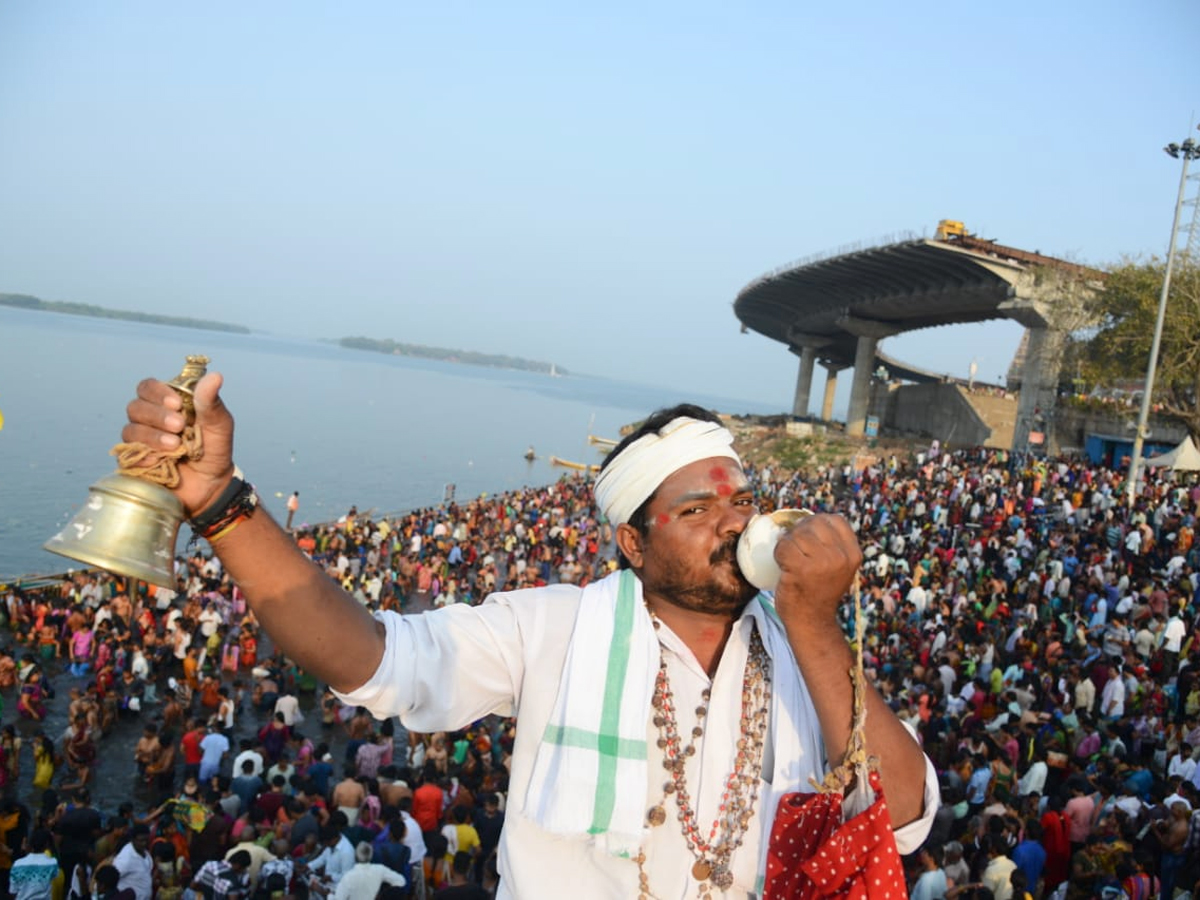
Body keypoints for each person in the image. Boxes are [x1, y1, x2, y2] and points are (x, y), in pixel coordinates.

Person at [121, 386, 938, 898]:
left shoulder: (803, 649)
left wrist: (811, 621)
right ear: (630, 542)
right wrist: (219, 500)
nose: (733, 521)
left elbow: (901, 818)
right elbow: (372, 656)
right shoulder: (551, 626)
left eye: (741, 502)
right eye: (694, 511)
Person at [333, 841, 407, 899]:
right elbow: (401, 881)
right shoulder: (379, 869)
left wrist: (328, 895)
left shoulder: (348, 876)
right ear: (371, 856)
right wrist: (382, 894)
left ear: (355, 857)